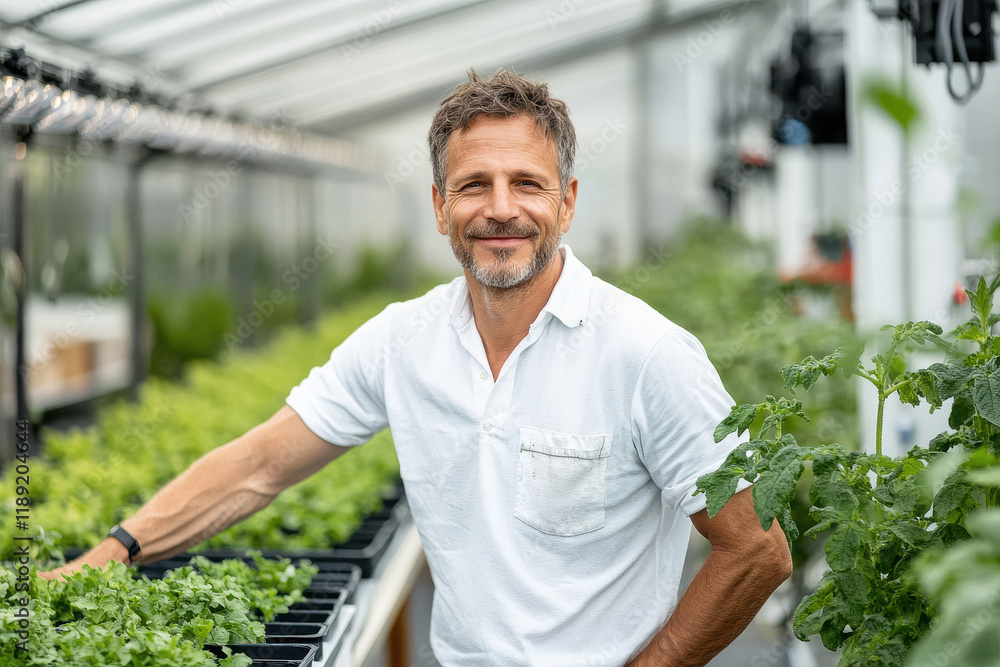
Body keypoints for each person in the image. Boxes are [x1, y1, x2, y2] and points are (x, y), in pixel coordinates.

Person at [43, 69, 791, 666]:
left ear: (566, 201)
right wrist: (112, 553)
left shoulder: (645, 353)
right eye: (474, 185)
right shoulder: (404, 341)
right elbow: (259, 465)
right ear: (439, 206)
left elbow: (757, 547)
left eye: (526, 183)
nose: (501, 208)